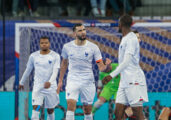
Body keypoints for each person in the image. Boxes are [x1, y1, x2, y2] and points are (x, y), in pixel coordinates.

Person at [57, 23, 111, 120]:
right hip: (72, 80)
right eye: (80, 30)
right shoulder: (67, 47)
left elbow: (101, 68)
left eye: (84, 30)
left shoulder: (93, 47)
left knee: (87, 110)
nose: (83, 32)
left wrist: (107, 66)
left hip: (88, 81)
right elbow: (64, 64)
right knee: (70, 106)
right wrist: (60, 81)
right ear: (74, 34)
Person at [102, 14, 148, 120]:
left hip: (134, 79)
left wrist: (111, 75)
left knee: (137, 113)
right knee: (118, 113)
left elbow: (126, 61)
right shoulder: (125, 38)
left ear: (120, 24)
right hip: (124, 81)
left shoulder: (131, 39)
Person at [19, 36, 60, 120]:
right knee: (35, 111)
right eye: (42, 43)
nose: (44, 44)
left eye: (46, 43)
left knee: (50, 111)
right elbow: (28, 70)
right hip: (38, 87)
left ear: (49, 44)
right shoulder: (33, 56)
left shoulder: (55, 55)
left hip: (51, 87)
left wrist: (50, 82)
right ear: (39, 44)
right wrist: (21, 82)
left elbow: (55, 71)